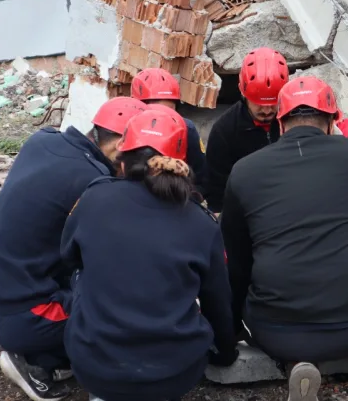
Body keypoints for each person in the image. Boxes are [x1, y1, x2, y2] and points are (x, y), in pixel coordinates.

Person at [220, 77, 348, 401]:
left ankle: (296, 360)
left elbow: (237, 265)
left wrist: (237, 327)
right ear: (332, 122)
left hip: (274, 333)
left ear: (280, 124)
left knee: (257, 254)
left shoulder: (244, 171)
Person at [0, 97, 148, 401]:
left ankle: (54, 351)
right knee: (128, 307)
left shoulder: (43, 140)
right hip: (26, 315)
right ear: (121, 144)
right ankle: (40, 364)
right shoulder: (94, 183)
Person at [61, 108, 238, 401]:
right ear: (182, 162)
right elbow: (217, 303)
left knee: (82, 274)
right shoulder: (201, 223)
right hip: (172, 374)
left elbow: (68, 257)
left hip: (95, 368)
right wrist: (226, 351)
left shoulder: (94, 197)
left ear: (122, 160)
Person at [204, 47, 289, 214]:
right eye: (258, 104)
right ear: (244, 96)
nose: (266, 111)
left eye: (273, 104)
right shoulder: (225, 131)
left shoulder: (292, 121)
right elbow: (216, 189)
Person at [130, 67, 208, 196]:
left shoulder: (186, 129)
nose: (163, 118)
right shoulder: (125, 130)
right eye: (155, 111)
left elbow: (201, 180)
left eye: (170, 111)